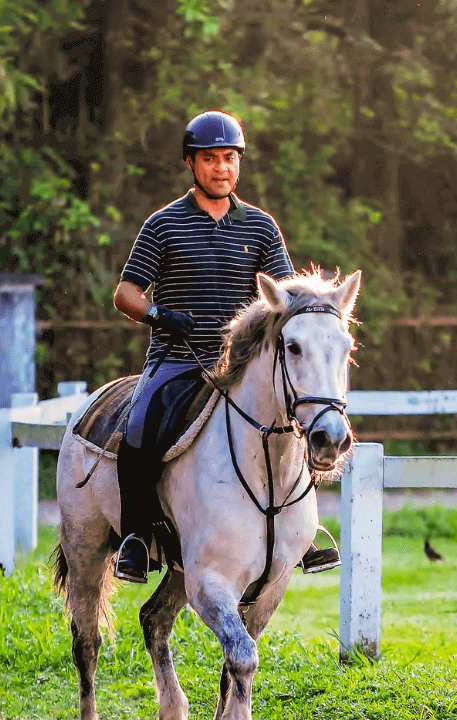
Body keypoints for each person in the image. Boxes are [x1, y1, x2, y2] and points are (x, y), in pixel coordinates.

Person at [112, 110, 340, 583]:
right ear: (192, 164)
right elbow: (126, 294)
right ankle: (136, 537)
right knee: (138, 428)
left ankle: (304, 531)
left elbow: (287, 297)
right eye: (211, 159)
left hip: (244, 364)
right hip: (178, 360)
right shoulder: (163, 224)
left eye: (230, 158)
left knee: (302, 411)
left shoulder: (260, 226)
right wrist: (158, 314)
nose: (222, 168)